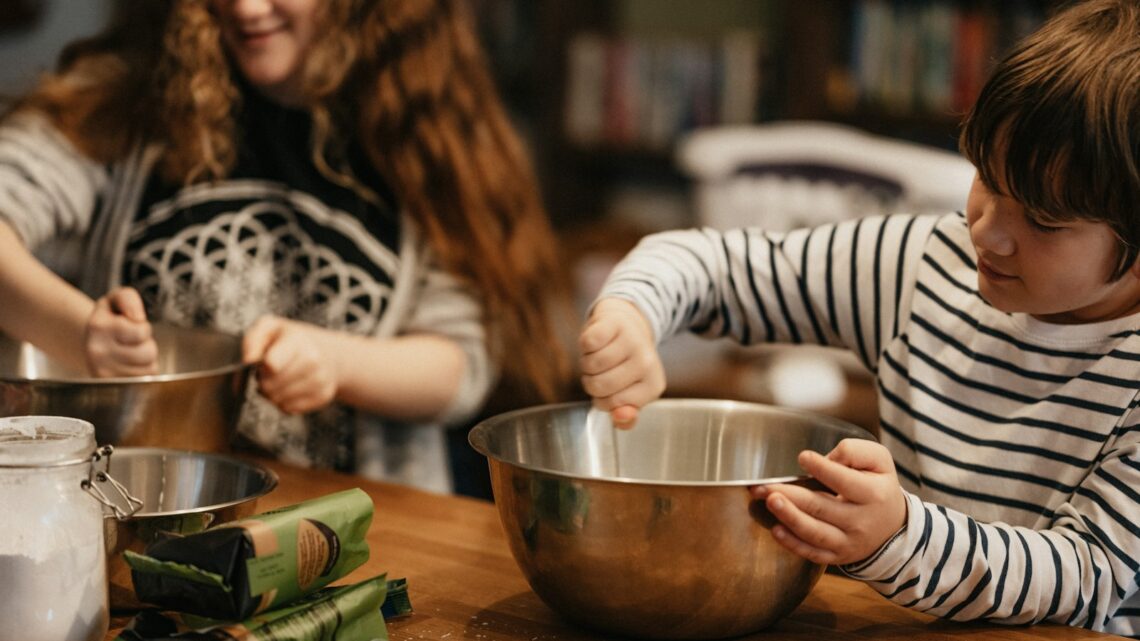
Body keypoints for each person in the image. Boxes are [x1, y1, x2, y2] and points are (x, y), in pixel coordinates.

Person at [578, 0, 1140, 634]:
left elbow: (1086, 577)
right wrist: (632, 312)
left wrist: (899, 535)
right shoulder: (922, 264)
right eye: (988, 179)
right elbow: (712, 264)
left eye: (1042, 220)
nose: (988, 232)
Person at [0, 0, 569, 493]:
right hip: (135, 505)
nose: (246, 9)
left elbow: (460, 365)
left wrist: (337, 362)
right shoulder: (124, 102)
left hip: (355, 531)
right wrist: (81, 334)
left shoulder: (426, 135)